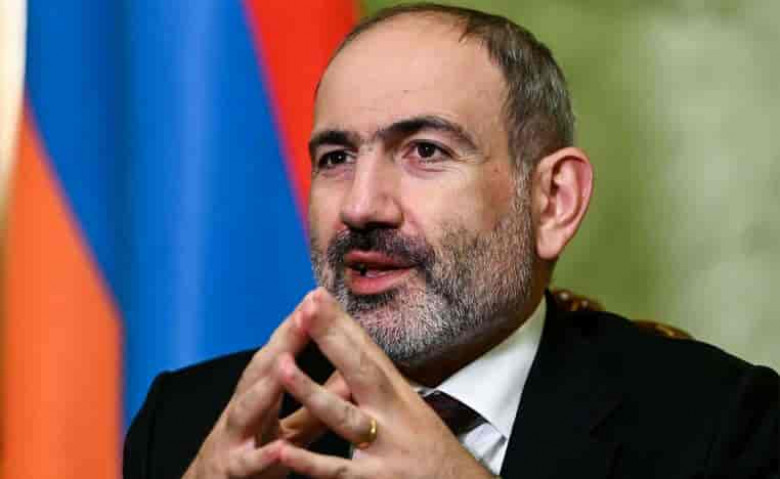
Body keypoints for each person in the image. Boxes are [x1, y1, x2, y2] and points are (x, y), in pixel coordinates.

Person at [123, 4, 779, 479]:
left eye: (426, 151)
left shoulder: (720, 426)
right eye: (336, 158)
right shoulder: (190, 422)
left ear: (553, 201)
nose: (361, 206)